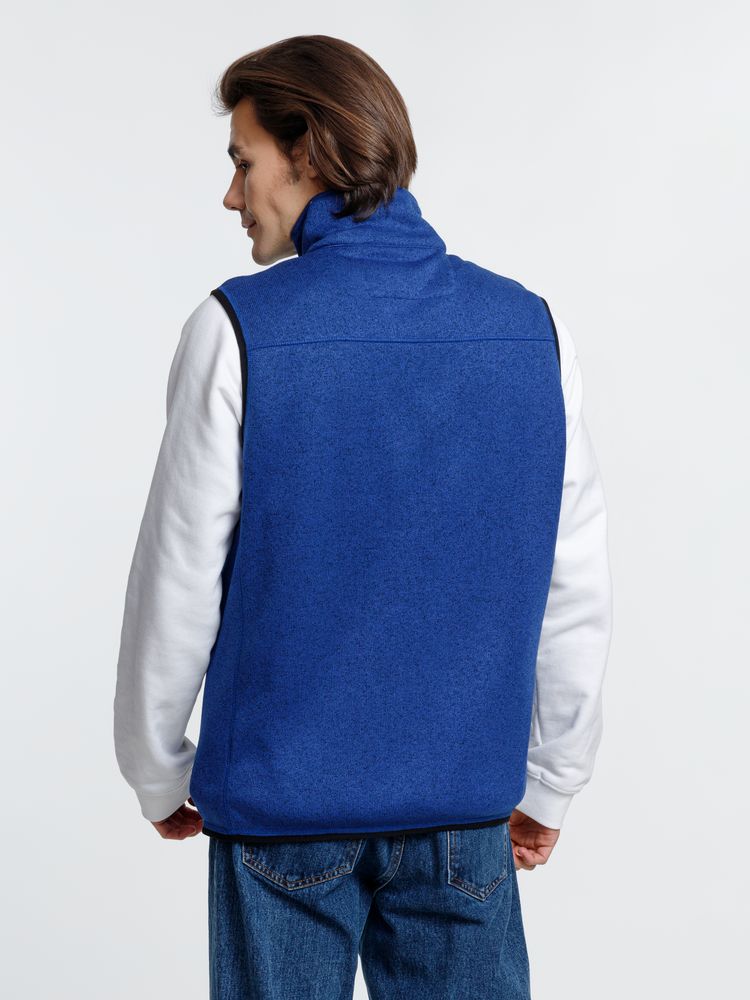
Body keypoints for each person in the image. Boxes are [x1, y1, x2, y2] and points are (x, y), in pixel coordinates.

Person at [113, 34, 613, 1000]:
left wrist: (157, 769)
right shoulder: (533, 330)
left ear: (307, 151)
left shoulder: (236, 328)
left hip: (281, 816)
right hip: (463, 815)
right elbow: (574, 580)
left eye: (243, 162)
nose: (231, 196)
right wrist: (554, 777)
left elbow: (176, 581)